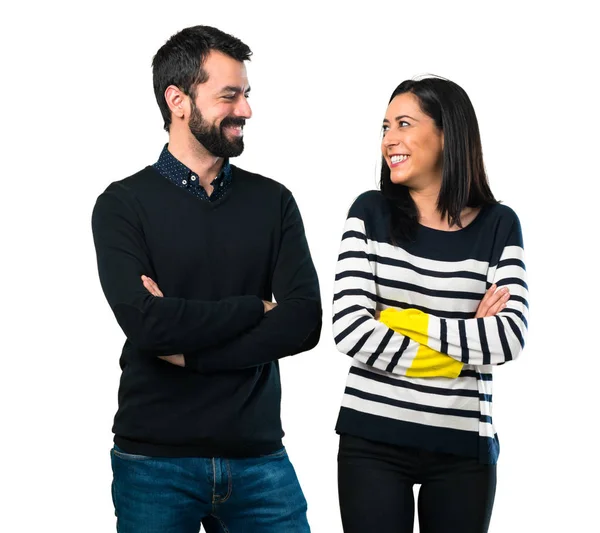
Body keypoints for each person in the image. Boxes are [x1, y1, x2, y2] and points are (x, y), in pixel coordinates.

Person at [91, 25, 321, 533]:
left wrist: (192, 353)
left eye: (246, 94)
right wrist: (255, 308)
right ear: (178, 100)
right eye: (229, 95)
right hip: (154, 464)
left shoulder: (273, 201)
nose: (245, 110)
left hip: (260, 460)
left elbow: (305, 321)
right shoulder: (122, 206)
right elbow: (148, 326)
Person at [332, 77, 528, 533]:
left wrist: (399, 321)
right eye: (385, 128)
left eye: (404, 124)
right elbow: (350, 330)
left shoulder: (500, 224)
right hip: (372, 439)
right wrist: (463, 344)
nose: (389, 140)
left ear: (447, 135)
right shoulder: (369, 212)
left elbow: (509, 335)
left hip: (464, 446)